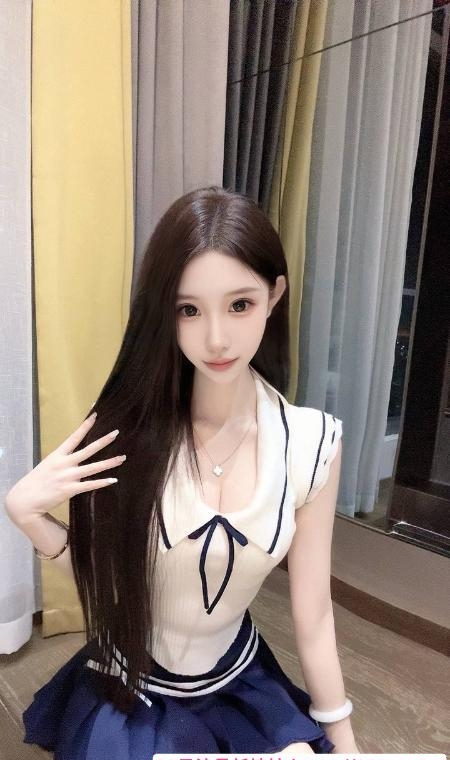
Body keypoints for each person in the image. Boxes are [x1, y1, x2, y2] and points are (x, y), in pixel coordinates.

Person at [5, 186, 359, 758]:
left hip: (238, 681)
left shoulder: (313, 443)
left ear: (274, 296)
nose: (216, 338)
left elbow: (313, 611)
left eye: (240, 304)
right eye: (188, 310)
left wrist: (343, 738)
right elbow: (111, 578)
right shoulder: (130, 432)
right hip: (132, 690)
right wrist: (28, 516)